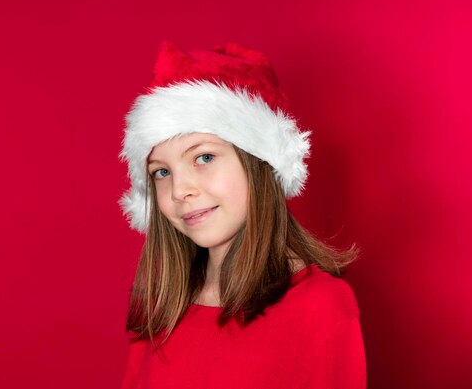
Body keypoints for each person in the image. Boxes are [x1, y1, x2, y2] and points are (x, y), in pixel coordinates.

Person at [118, 41, 366, 388]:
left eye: (203, 157)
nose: (178, 190)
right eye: (162, 172)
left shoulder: (320, 307)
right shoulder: (163, 306)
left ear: (258, 163)